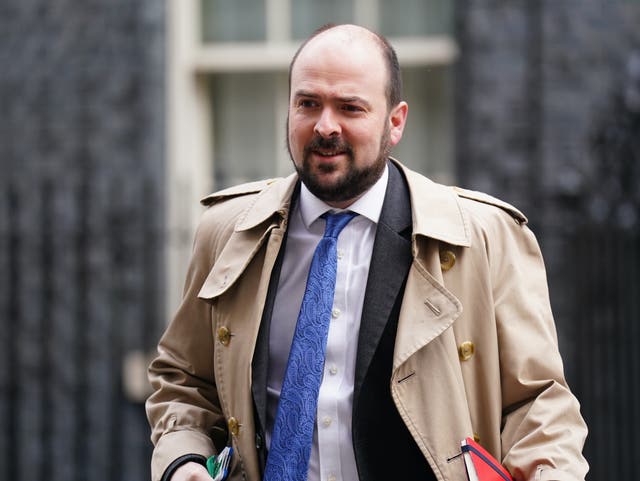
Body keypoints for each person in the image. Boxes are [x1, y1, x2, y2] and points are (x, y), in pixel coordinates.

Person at [146, 23, 589, 481]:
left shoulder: (485, 235)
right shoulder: (225, 232)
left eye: (350, 107)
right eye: (308, 103)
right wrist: (185, 461)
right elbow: (184, 381)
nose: (324, 126)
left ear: (395, 122)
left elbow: (538, 401)